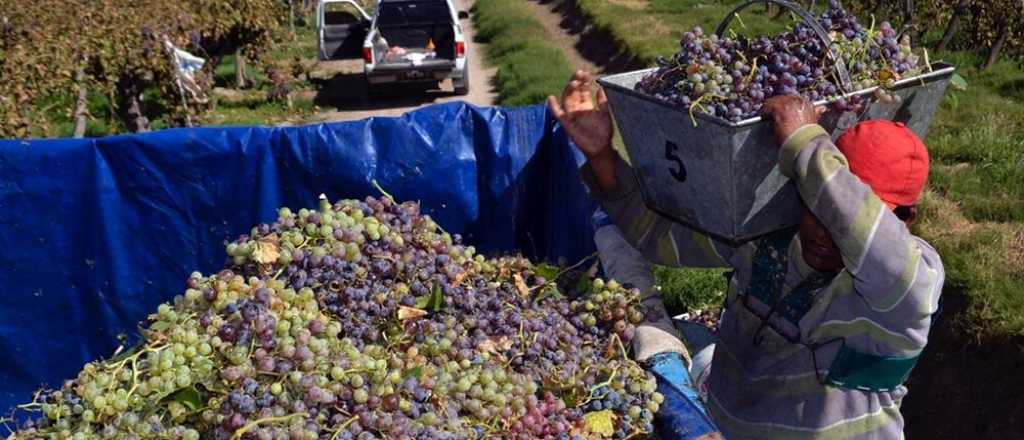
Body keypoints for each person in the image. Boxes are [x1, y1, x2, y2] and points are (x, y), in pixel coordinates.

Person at [548, 71, 945, 440]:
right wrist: (602, 158)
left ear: (905, 222)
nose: (828, 231)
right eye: (814, 208)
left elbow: (868, 231)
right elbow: (657, 236)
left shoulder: (909, 286)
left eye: (835, 214)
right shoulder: (766, 240)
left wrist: (806, 143)